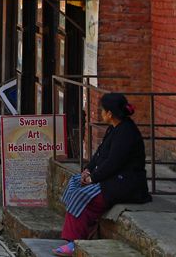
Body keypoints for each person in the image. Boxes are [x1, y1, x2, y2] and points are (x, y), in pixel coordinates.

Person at [54, 93, 150, 256]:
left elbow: (114, 162)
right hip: (110, 178)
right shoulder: (114, 128)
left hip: (125, 183)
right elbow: (100, 155)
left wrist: (93, 178)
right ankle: (78, 233)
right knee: (75, 183)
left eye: (103, 110)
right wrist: (88, 170)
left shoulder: (126, 132)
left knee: (83, 196)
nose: (101, 113)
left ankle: (74, 242)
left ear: (110, 113)